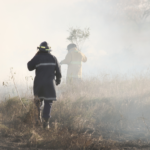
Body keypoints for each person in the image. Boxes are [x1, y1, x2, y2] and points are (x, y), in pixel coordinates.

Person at [27, 41, 61, 129]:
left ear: (39, 49)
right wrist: (57, 80)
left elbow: (29, 67)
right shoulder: (54, 58)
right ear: (49, 50)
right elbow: (58, 72)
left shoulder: (37, 57)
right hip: (50, 84)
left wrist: (35, 56)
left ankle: (38, 121)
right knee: (48, 102)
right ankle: (46, 123)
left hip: (39, 84)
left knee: (38, 102)